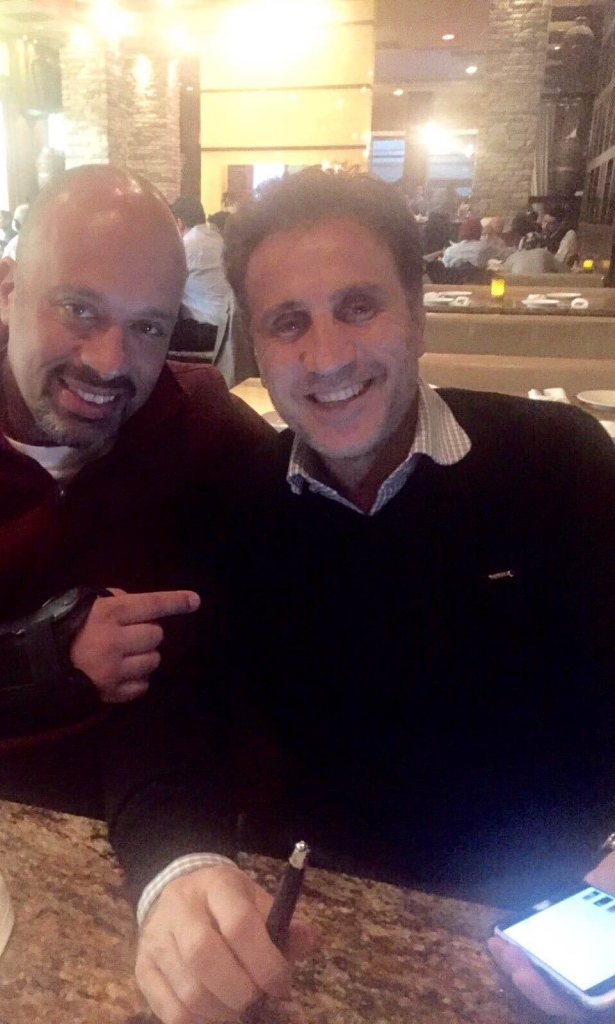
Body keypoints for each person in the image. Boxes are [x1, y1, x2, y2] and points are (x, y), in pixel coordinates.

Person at [102, 170, 615, 1024]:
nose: (328, 357)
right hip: (325, 938)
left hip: (565, 933)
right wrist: (179, 866)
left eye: (359, 307)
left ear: (418, 315)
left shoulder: (561, 461)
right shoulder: (232, 502)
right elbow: (162, 713)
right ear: (254, 346)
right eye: (288, 323)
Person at [0, 164, 270, 812]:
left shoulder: (195, 417)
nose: (109, 361)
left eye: (148, 327)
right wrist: (35, 660)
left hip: (132, 816)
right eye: (79, 309)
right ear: (9, 290)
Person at [169, 196, 233, 353]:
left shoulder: (185, 245)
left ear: (179, 222)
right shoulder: (219, 240)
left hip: (205, 331)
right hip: (230, 328)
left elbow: (164, 288)